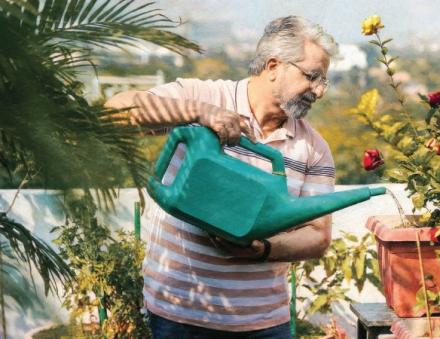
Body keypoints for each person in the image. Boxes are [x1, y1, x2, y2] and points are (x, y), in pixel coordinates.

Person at [105, 16, 339, 339]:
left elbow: (318, 236)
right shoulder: (202, 97)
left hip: (264, 324)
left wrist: (262, 249)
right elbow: (116, 111)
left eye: (323, 81)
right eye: (312, 77)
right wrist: (200, 114)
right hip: (180, 317)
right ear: (273, 66)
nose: (319, 91)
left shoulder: (314, 149)